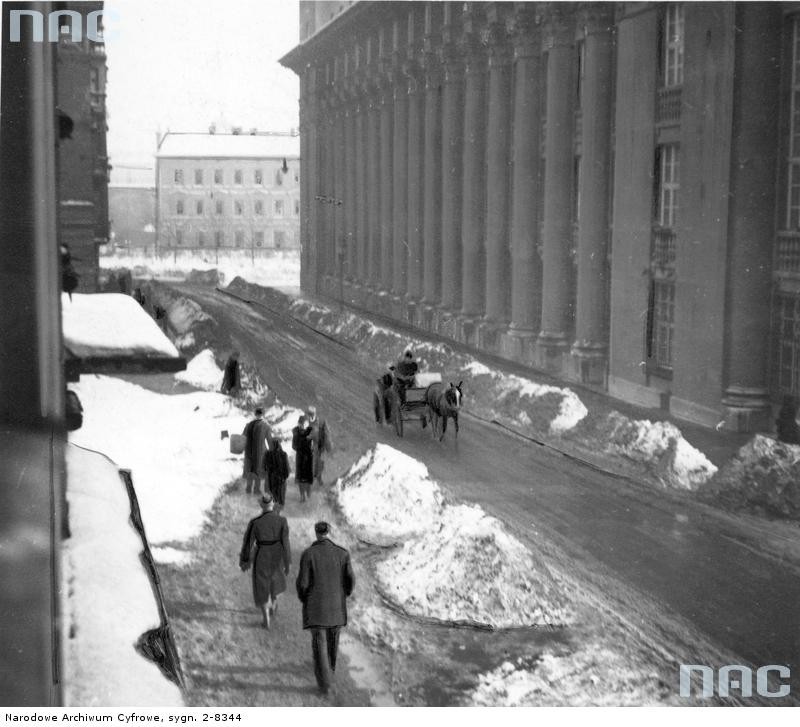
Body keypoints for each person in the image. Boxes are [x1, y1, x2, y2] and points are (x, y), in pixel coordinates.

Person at [295, 521, 355, 696]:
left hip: (316, 608)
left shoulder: (308, 554)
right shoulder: (343, 554)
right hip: (337, 607)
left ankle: (325, 684)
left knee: (320, 643)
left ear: (316, 533)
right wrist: (345, 594)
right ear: (330, 531)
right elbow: (350, 580)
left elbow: (303, 583)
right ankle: (331, 671)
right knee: (333, 640)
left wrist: (303, 598)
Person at [240, 493, 291, 630]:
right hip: (277, 556)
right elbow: (286, 543)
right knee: (275, 581)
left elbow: (248, 543)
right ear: (273, 504)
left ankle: (266, 618)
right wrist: (287, 562)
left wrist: (245, 561)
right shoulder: (282, 521)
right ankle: (273, 606)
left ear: (261, 506)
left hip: (261, 554)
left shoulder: (255, 522)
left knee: (261, 585)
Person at [242, 407, 274, 494]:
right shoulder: (266, 426)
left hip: (249, 451)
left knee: (250, 469)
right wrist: (272, 451)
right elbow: (269, 440)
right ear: (262, 414)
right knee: (258, 469)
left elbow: (243, 438)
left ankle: (248, 488)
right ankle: (256, 489)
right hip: (260, 452)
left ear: (255, 414)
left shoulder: (248, 425)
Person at [306, 405, 332, 488]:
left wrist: (328, 446)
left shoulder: (321, 421)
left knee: (320, 463)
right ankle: (311, 478)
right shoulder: (306, 421)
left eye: (312, 413)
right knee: (310, 463)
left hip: (319, 446)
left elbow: (327, 434)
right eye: (310, 414)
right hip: (310, 447)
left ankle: (319, 477)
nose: (311, 415)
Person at [292, 415, 314, 503]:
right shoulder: (298, 432)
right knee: (303, 476)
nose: (303, 425)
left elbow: (315, 444)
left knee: (305, 476)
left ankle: (306, 492)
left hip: (305, 457)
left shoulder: (309, 431)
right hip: (303, 456)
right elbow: (293, 446)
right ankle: (303, 494)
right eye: (302, 424)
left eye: (305, 424)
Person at [264, 438, 290, 507]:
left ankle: (275, 509)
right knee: (281, 495)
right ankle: (278, 510)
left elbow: (264, 467)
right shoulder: (283, 454)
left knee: (274, 494)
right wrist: (286, 476)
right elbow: (286, 468)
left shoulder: (267, 454)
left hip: (272, 478)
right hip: (281, 478)